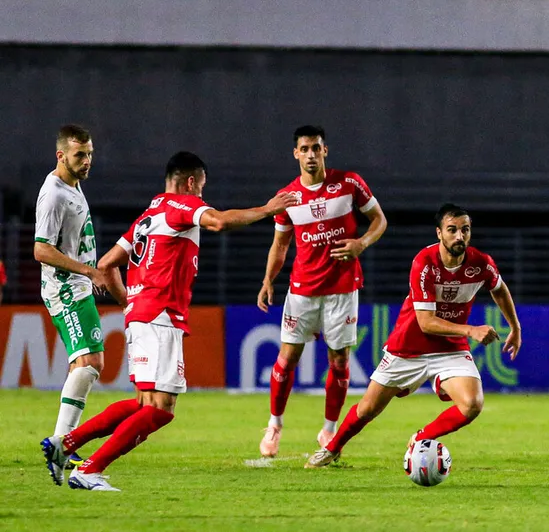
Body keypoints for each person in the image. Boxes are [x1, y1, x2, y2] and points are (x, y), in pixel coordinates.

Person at [40, 151, 298, 490]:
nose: (202, 196)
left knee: (144, 404)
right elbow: (219, 221)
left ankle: (66, 443)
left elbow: (106, 264)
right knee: (162, 409)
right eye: (201, 188)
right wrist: (268, 209)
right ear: (190, 182)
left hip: (143, 314)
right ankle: (89, 469)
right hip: (159, 315)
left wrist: (131, 303)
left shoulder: (150, 213)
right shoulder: (181, 206)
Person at [305, 203, 522, 468]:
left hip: (450, 348)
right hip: (409, 346)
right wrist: (470, 330)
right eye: (452, 230)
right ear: (439, 233)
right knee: (367, 409)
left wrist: (515, 327)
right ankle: (332, 448)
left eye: (465, 230)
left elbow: (498, 288)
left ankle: (421, 439)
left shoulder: (481, 263)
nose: (459, 236)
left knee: (472, 404)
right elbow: (426, 322)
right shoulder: (425, 263)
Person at [257, 125, 387, 458]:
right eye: (305, 149)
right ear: (296, 154)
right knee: (286, 360)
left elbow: (379, 221)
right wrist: (268, 280)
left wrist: (361, 243)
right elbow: (280, 243)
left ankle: (329, 430)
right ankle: (274, 424)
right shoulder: (287, 197)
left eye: (316, 148)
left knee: (339, 361)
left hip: (342, 288)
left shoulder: (349, 184)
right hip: (302, 288)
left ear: (325, 151)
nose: (311, 154)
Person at [34, 125, 108, 479]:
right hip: (66, 289)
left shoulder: (73, 187)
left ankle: (63, 445)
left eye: (90, 153)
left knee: (86, 363)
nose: (87, 161)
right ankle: (62, 444)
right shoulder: (54, 195)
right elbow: (40, 249)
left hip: (77, 284)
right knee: (90, 363)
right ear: (60, 155)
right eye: (80, 155)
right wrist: (87, 271)